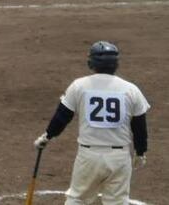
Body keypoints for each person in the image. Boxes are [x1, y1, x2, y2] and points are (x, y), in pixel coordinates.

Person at [33, 41, 149, 204]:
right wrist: (141, 151)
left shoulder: (79, 85)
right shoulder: (131, 89)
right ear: (115, 64)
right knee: (117, 202)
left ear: (91, 63)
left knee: (78, 199)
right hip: (119, 158)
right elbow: (139, 126)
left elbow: (62, 117)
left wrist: (47, 136)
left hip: (89, 156)